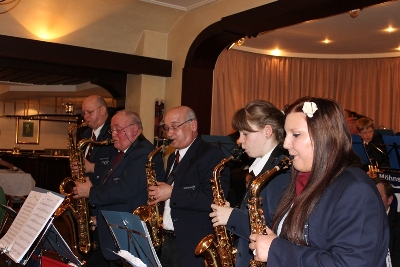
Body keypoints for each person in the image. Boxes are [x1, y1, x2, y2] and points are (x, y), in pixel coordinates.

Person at [249, 97, 389, 266]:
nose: (286, 144)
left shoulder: (356, 190)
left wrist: (276, 250)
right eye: (286, 135)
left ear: (324, 135)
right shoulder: (301, 179)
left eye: (296, 134)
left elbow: (349, 263)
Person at [73, 110, 165, 267]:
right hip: (119, 231)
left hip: (130, 234)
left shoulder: (143, 152)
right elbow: (112, 185)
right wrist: (98, 217)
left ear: (134, 129)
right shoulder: (124, 152)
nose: (113, 134)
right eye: (111, 130)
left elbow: (124, 190)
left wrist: (90, 191)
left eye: (117, 129)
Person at [209, 100, 291, 266]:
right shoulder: (264, 167)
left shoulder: (280, 172)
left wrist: (231, 216)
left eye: (245, 133)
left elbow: (275, 231)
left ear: (267, 131)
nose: (239, 140)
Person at [147, 106, 230, 267]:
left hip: (193, 243)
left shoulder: (211, 155)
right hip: (168, 239)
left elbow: (212, 199)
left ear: (193, 125)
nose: (169, 133)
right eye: (166, 128)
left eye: (174, 127)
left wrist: (172, 193)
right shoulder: (172, 157)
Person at [72, 95, 117, 267]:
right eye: (84, 113)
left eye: (90, 112)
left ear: (103, 110)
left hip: (101, 197)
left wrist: (91, 167)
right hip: (86, 198)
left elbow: (114, 167)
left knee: (100, 253)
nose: (86, 117)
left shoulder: (112, 134)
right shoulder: (85, 134)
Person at [374, 177, 400, 267]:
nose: (373, 200)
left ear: (389, 200)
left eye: (379, 196)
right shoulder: (360, 219)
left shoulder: (398, 223)